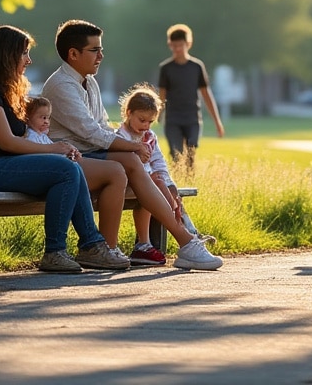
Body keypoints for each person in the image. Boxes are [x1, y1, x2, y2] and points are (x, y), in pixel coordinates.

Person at [0, 24, 129, 273]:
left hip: (3, 166)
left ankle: (88, 246)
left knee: (69, 167)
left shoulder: (0, 90)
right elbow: (6, 142)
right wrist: (55, 151)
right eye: (23, 54)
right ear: (5, 55)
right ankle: (62, 250)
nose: (28, 60)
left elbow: (21, 138)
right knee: (65, 169)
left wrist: (58, 148)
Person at [45, 19, 224, 270]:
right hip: (70, 161)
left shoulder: (89, 82)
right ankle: (183, 241)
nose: (101, 55)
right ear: (73, 54)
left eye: (101, 49)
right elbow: (90, 132)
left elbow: (102, 126)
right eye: (94, 50)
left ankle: (110, 247)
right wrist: (133, 146)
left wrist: (134, 150)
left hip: (92, 155)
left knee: (134, 168)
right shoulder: (62, 85)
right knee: (125, 164)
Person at [115, 83, 211, 266]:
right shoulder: (121, 138)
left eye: (150, 122)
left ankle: (148, 243)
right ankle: (185, 234)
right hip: (127, 181)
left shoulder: (149, 136)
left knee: (160, 182)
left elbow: (159, 163)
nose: (146, 126)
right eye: (142, 120)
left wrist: (171, 185)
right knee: (155, 183)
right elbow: (126, 165)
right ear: (128, 113)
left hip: (149, 183)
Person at [23, 95, 129, 251]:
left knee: (79, 171)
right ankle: (90, 244)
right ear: (27, 118)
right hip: (46, 177)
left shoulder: (43, 137)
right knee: (76, 174)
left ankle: (100, 244)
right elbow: (43, 158)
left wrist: (70, 154)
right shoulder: (31, 137)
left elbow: (54, 154)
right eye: (41, 117)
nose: (46, 121)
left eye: (48, 118)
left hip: (56, 174)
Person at [157, 23, 226, 170]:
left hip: (192, 119)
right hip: (173, 119)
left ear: (188, 44)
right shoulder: (166, 69)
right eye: (173, 46)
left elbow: (206, 95)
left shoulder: (196, 67)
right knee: (176, 154)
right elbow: (162, 95)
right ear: (169, 45)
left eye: (180, 45)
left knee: (190, 155)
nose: (177, 49)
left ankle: (189, 183)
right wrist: (157, 115)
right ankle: (175, 187)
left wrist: (217, 121)